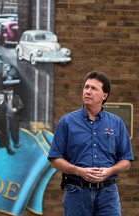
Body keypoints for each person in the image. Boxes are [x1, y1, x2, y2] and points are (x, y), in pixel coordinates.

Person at [48, 70, 134, 215]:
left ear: (104, 95)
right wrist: (79, 171)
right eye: (86, 87)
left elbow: (126, 160)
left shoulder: (116, 123)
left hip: (108, 193)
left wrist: (110, 171)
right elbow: (55, 158)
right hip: (76, 192)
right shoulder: (67, 122)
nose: (88, 91)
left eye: (94, 88)